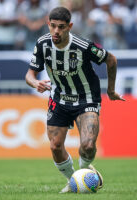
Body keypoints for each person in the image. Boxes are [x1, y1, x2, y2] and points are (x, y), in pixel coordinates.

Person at [25, 6, 125, 193]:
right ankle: (74, 181)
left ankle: (84, 172)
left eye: (61, 27)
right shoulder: (42, 44)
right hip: (59, 98)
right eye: (53, 26)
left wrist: (111, 91)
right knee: (55, 146)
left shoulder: (83, 46)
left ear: (70, 26)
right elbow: (30, 74)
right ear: (48, 24)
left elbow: (111, 60)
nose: (56, 31)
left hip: (86, 99)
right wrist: (34, 83)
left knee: (87, 145)